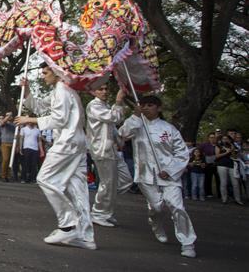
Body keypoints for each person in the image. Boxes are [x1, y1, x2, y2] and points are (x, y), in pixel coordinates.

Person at [16, 63, 95, 250]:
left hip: (67, 142)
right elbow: (39, 106)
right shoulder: (63, 90)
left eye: (45, 72)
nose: (43, 76)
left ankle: (68, 225)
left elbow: (59, 119)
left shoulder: (62, 90)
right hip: (77, 142)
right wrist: (26, 91)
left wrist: (29, 120)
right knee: (78, 190)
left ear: (57, 72)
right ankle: (85, 236)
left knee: (45, 179)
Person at [118, 95, 198, 257]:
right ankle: (156, 225)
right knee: (156, 206)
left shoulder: (169, 129)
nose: (146, 108)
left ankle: (187, 242)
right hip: (145, 175)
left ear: (158, 108)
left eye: (150, 105)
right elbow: (121, 135)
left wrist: (169, 170)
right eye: (143, 105)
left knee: (176, 206)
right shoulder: (136, 125)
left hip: (168, 175)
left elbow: (181, 153)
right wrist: (135, 116)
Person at [86, 84, 132, 227]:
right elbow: (114, 118)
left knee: (125, 181)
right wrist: (118, 101)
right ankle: (99, 213)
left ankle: (106, 209)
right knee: (107, 183)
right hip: (102, 150)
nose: (105, 91)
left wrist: (120, 139)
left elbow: (112, 128)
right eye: (101, 88)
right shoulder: (94, 105)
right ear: (93, 91)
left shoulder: (105, 106)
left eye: (106, 88)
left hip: (113, 150)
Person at [214, 134, 243, 205]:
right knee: (223, 182)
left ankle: (238, 199)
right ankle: (224, 199)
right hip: (221, 165)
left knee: (235, 183)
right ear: (221, 139)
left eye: (226, 139)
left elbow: (235, 155)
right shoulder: (218, 146)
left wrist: (232, 148)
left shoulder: (232, 146)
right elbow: (217, 156)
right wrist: (226, 152)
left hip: (231, 165)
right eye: (223, 139)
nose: (225, 140)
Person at [0, 112, 16, 181]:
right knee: (5, 159)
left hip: (13, 143)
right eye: (8, 115)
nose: (9, 117)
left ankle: (8, 175)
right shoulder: (4, 123)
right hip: (5, 143)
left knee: (10, 161)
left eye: (11, 116)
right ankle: (3, 175)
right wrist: (8, 116)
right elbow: (2, 123)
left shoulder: (14, 124)